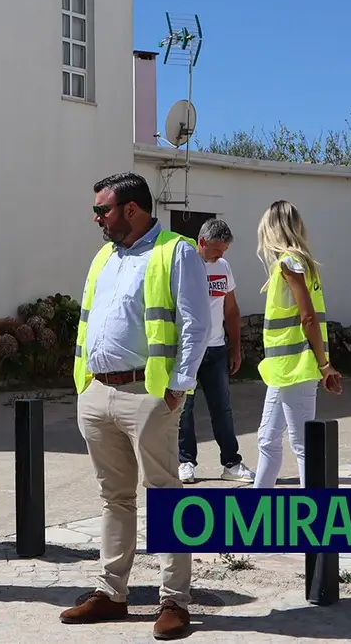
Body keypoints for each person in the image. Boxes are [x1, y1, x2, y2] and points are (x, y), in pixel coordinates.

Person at [59, 172, 209, 640]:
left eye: (103, 209)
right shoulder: (104, 256)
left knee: (164, 495)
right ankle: (112, 593)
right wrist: (84, 383)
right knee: (114, 497)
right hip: (97, 391)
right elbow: (89, 322)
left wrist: (178, 385)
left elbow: (195, 324)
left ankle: (175, 601)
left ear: (132, 209)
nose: (96, 218)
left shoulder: (175, 251)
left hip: (149, 393)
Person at [252, 200, 342, 489]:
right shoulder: (295, 264)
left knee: (302, 444)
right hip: (284, 369)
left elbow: (308, 318)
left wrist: (324, 365)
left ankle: (315, 518)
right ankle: (255, 513)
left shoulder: (290, 263)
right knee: (267, 439)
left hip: (296, 368)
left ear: (272, 230)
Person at [177, 218, 255, 484]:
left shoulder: (223, 267)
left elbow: (231, 309)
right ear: (202, 242)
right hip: (188, 350)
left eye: (224, 251)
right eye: (217, 250)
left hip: (216, 349)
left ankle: (231, 463)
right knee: (183, 409)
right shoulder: (184, 265)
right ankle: (185, 461)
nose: (221, 255)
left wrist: (236, 349)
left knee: (222, 408)